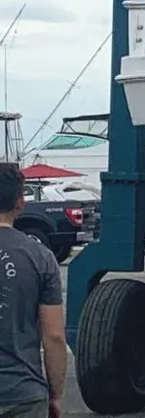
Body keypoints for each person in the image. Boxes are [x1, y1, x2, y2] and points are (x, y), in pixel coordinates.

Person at [0, 163, 66, 417]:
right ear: (20, 202)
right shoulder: (40, 256)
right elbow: (54, 337)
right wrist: (55, 395)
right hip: (23, 394)